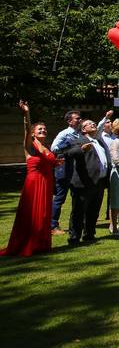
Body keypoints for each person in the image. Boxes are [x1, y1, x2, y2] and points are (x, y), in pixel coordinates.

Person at [1, 101, 61, 257]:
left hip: (47, 182)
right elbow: (27, 129)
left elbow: (50, 163)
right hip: (34, 183)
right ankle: (29, 244)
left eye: (45, 129)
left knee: (43, 214)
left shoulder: (46, 148)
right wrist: (26, 114)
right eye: (40, 129)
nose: (43, 130)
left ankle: (42, 244)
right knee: (31, 214)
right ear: (33, 133)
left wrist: (57, 163)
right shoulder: (30, 145)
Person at [63, 119, 112, 245]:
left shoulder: (98, 141)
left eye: (94, 123)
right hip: (84, 182)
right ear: (83, 129)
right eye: (90, 124)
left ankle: (89, 234)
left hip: (99, 181)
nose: (93, 124)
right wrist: (81, 149)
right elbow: (67, 153)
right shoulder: (78, 140)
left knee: (94, 210)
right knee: (79, 211)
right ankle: (74, 237)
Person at [50, 109, 82, 234]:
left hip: (76, 171)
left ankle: (76, 224)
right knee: (60, 198)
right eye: (77, 118)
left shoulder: (79, 133)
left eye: (80, 118)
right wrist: (69, 144)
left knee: (77, 199)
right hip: (64, 171)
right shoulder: (64, 134)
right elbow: (54, 148)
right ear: (69, 121)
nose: (79, 120)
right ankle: (53, 225)